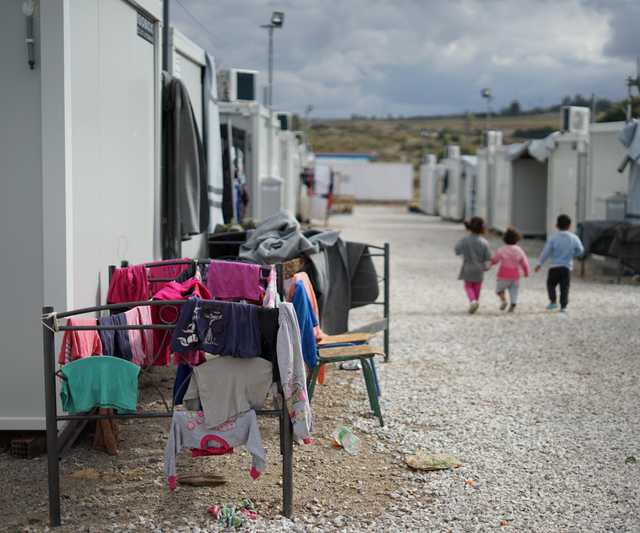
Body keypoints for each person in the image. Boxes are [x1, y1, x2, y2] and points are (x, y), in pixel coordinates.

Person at [535, 214, 584, 313]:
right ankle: (563, 307)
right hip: (566, 268)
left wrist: (539, 263)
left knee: (551, 284)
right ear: (569, 226)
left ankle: (553, 301)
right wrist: (574, 254)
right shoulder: (574, 238)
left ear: (556, 226)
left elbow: (546, 252)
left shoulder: (553, 238)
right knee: (564, 287)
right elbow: (581, 250)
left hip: (554, 267)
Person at [454, 217, 492, 314]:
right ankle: (475, 301)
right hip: (480, 268)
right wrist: (487, 265)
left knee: (468, 286)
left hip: (468, 266)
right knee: (477, 286)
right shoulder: (484, 242)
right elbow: (488, 257)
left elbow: (457, 250)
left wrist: (462, 253)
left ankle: (473, 301)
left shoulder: (464, 240)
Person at [490, 227, 529, 312]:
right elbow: (524, 262)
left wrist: (490, 263)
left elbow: (495, 260)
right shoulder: (519, 250)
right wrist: (526, 272)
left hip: (503, 274)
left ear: (504, 239)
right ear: (517, 239)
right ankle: (513, 303)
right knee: (514, 290)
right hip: (516, 275)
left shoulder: (501, 250)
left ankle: (504, 300)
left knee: (499, 289)